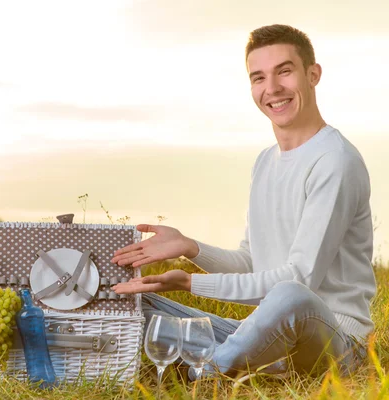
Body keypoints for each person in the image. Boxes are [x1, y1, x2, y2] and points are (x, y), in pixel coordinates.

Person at [112, 24, 376, 378]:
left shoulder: (335, 161)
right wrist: (189, 248)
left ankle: (206, 374)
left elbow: (297, 282)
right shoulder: (265, 162)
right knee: (131, 307)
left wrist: (190, 283)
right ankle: (235, 358)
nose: (273, 88)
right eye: (259, 77)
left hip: (336, 343)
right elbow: (252, 264)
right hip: (264, 334)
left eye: (284, 71)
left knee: (289, 295)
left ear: (313, 75)